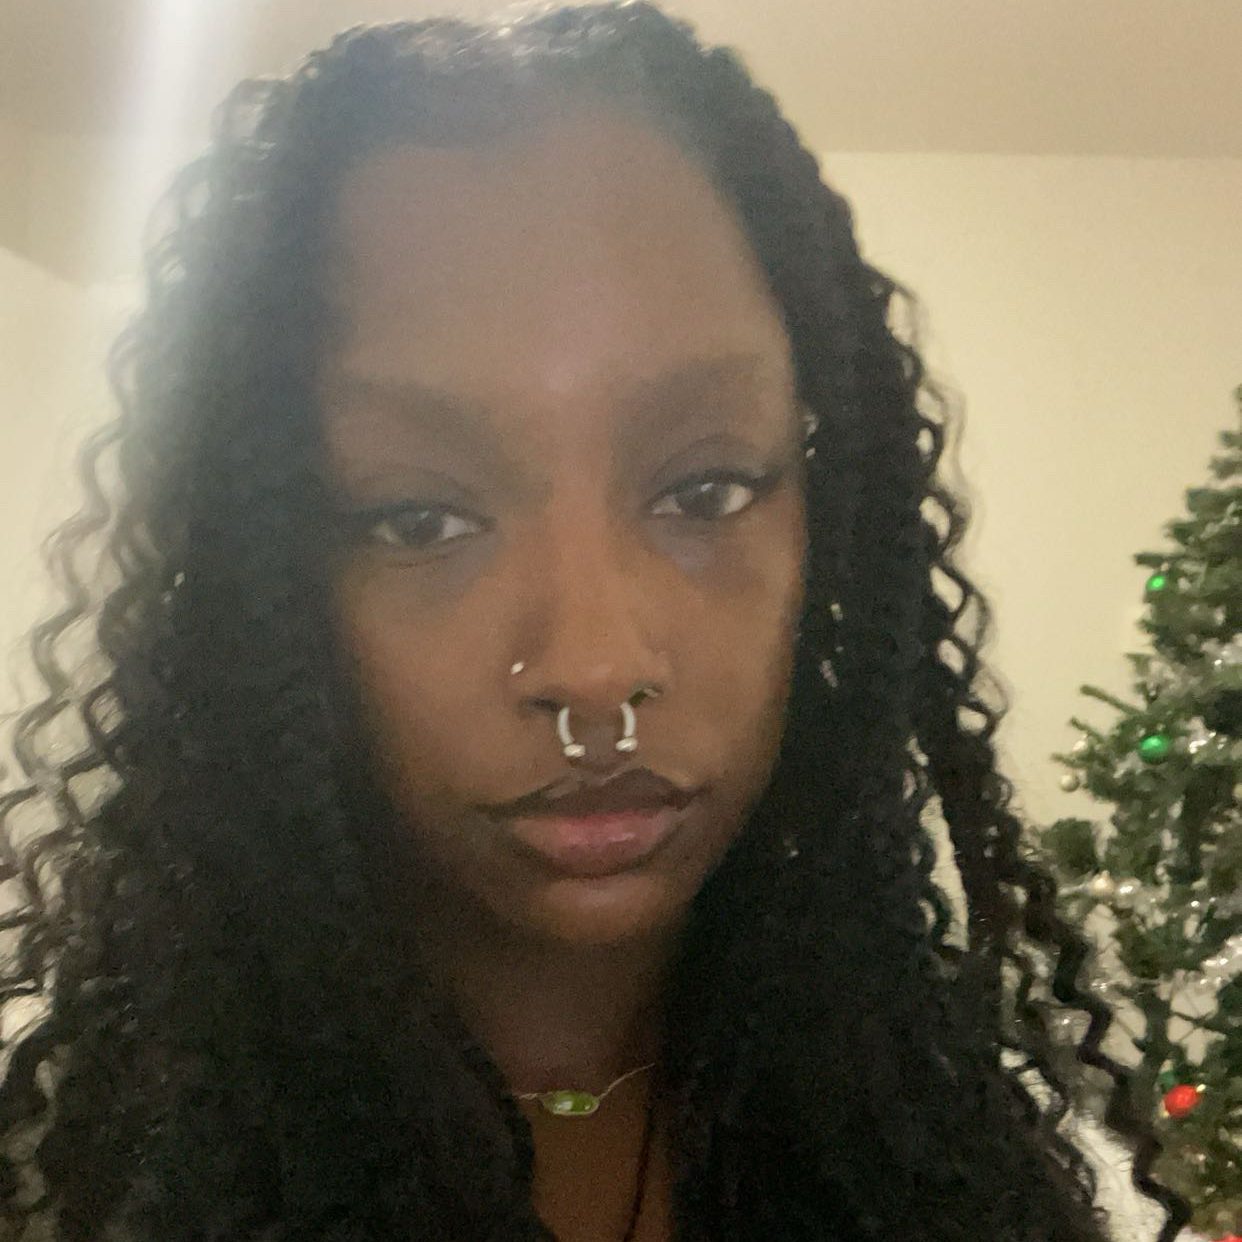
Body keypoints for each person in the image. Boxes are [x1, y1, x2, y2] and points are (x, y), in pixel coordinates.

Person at [0, 4, 1191, 1239]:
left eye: (706, 491)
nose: (594, 667)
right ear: (264, 583)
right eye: (418, 518)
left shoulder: (956, 1158)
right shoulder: (82, 1179)